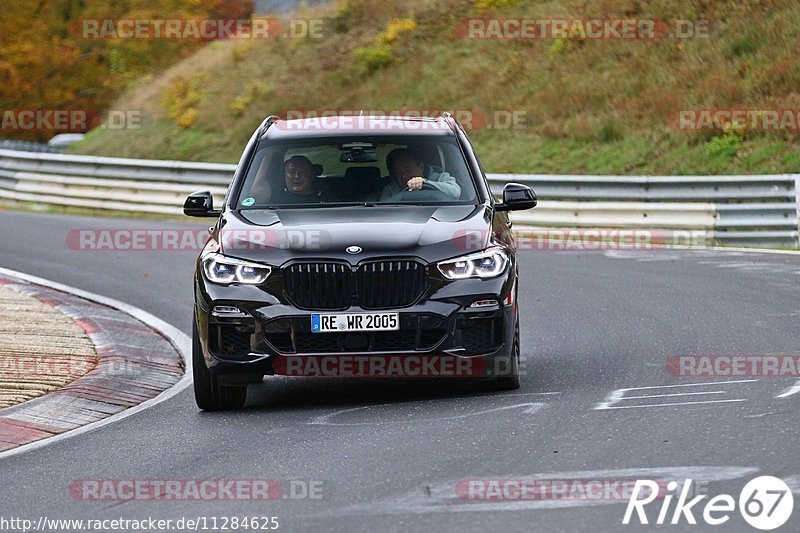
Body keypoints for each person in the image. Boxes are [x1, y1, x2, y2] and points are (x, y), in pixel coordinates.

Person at [379, 148, 460, 201]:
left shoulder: (441, 178)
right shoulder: (391, 189)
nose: (403, 176)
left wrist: (425, 183)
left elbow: (455, 192)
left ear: (421, 167)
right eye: (398, 171)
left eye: (408, 169)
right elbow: (382, 211)